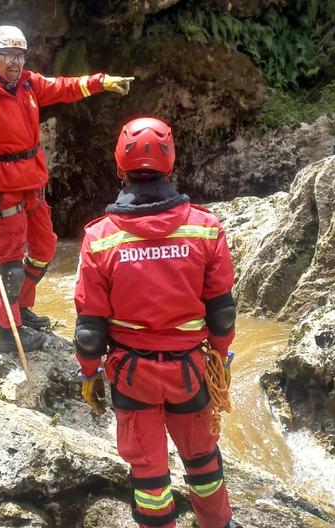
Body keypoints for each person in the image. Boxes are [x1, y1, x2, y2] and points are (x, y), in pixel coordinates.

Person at [73, 117, 238, 528]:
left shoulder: (101, 237)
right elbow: (222, 312)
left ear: (119, 166)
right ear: (170, 164)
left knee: (149, 477)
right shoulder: (204, 228)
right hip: (190, 371)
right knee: (202, 460)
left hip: (132, 376)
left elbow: (90, 327)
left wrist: (89, 374)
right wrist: (219, 358)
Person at [0, 25, 134, 354]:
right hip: (5, 193)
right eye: (8, 55)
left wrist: (100, 82)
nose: (15, 61)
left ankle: (20, 307)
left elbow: (64, 88)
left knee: (45, 249)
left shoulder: (29, 85)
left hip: (33, 188)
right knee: (9, 262)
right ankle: (8, 332)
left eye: (20, 55)